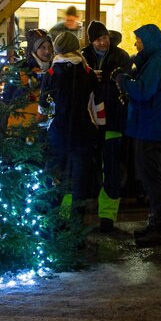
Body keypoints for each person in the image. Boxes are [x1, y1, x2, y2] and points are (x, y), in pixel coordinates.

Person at [114, 24, 161, 247]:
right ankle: (154, 224)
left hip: (151, 128)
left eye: (138, 41)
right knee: (150, 177)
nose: (135, 44)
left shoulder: (158, 62)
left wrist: (123, 81)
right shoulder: (155, 60)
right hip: (150, 127)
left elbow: (142, 90)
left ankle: (159, 228)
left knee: (152, 178)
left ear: (148, 41)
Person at [80, 22, 131, 232]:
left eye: (105, 38)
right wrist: (89, 78)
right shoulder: (82, 56)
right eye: (98, 39)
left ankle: (108, 217)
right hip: (88, 123)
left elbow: (128, 82)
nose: (103, 42)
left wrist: (110, 82)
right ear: (91, 41)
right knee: (84, 169)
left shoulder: (121, 56)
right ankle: (76, 215)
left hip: (113, 119)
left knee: (111, 168)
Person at [40, 31, 97, 218]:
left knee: (55, 178)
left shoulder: (51, 73)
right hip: (83, 131)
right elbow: (97, 104)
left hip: (58, 132)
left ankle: (55, 224)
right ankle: (76, 230)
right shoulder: (88, 72)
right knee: (79, 182)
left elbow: (43, 107)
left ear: (57, 49)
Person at [4, 29, 53, 129]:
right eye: (42, 47)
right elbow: (8, 100)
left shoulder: (56, 69)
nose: (47, 51)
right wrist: (29, 86)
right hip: (21, 128)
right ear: (34, 49)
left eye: (49, 47)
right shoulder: (20, 68)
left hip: (47, 129)